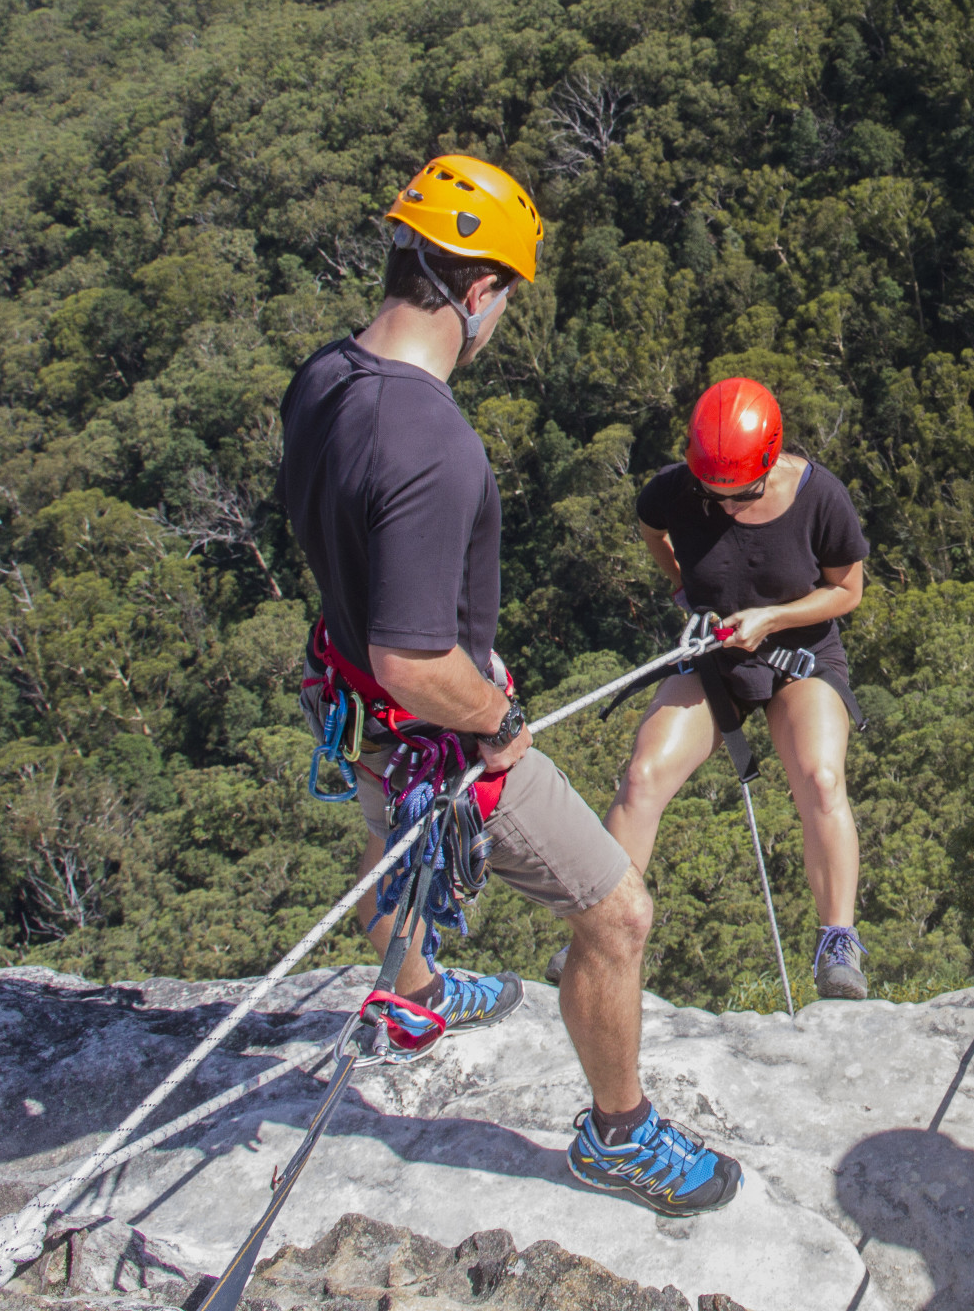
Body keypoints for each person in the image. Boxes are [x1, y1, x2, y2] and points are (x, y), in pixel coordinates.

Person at [276, 154, 740, 1217]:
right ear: (479, 292)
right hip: (428, 718)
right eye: (505, 303)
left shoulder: (322, 379)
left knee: (387, 831)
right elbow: (416, 658)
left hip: (345, 697)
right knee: (617, 913)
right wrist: (499, 722)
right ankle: (619, 1136)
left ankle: (413, 994)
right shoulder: (433, 441)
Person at [604, 377, 874, 999]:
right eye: (714, 494)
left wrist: (771, 619)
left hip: (798, 654)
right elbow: (652, 527)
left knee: (821, 779)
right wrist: (681, 588)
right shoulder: (676, 489)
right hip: (713, 658)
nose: (726, 506)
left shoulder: (820, 497)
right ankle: (602, 926)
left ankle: (839, 941)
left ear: (771, 459)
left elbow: (847, 592)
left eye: (742, 494)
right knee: (643, 775)